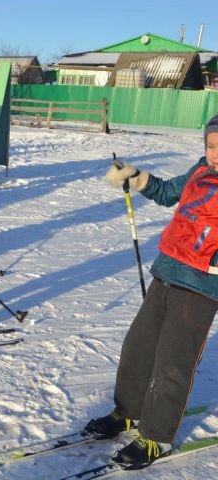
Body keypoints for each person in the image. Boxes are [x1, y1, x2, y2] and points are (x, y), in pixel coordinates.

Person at [83, 114, 218, 470]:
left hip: (202, 285)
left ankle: (157, 435)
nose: (215, 153)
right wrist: (134, 177)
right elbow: (165, 192)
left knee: (173, 363)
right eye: (211, 145)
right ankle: (128, 412)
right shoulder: (200, 170)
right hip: (167, 270)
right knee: (138, 347)